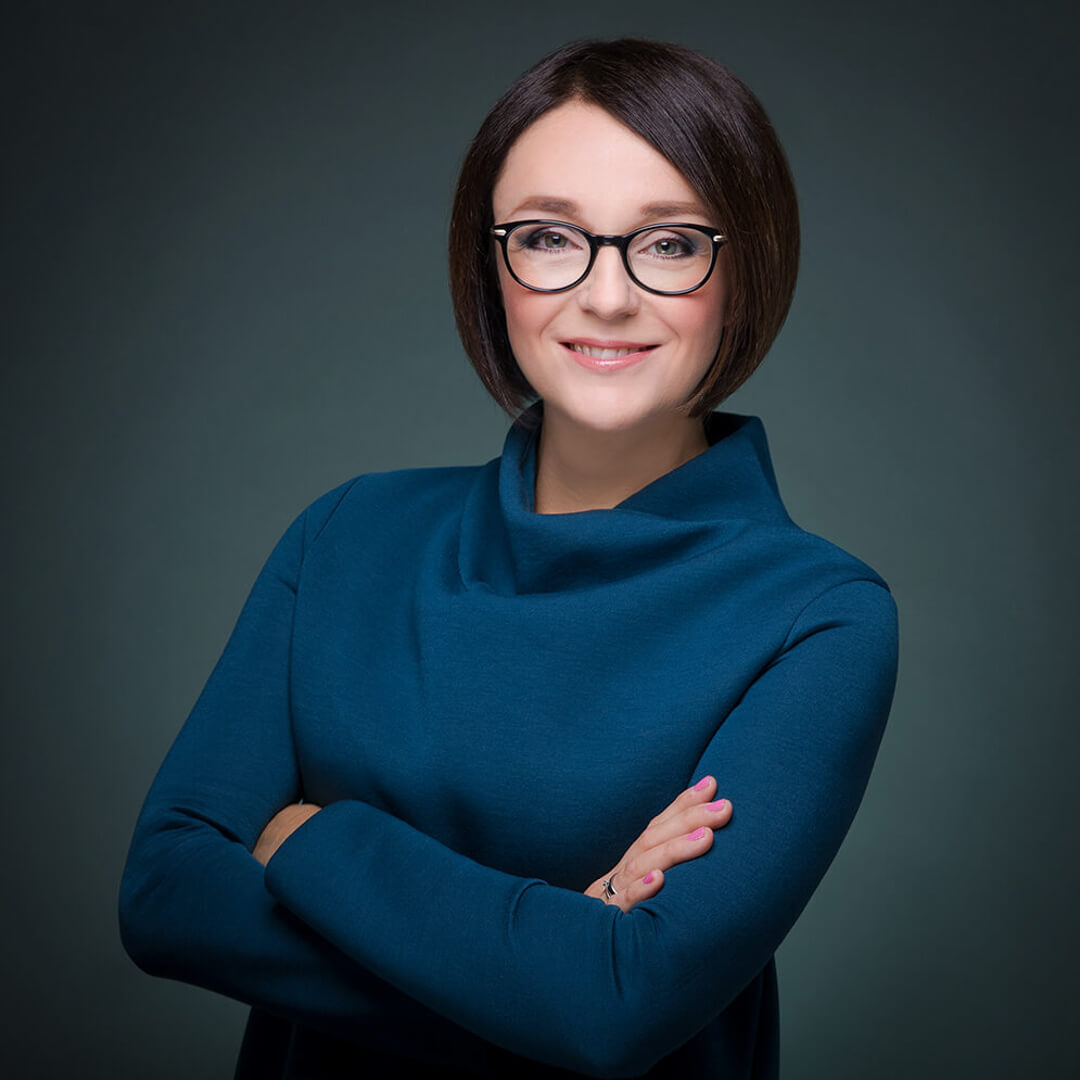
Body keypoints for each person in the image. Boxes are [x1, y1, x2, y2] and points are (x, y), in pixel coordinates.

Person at [118, 37, 899, 1079]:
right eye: (547, 238)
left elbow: (621, 1007)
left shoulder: (819, 615)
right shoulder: (347, 536)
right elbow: (166, 893)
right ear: (493, 263)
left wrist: (311, 839)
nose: (607, 297)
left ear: (743, 262)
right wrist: (569, 950)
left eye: (667, 243)